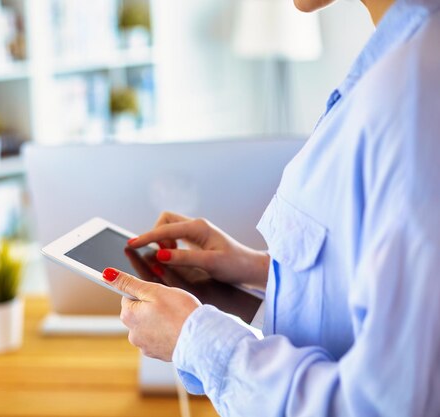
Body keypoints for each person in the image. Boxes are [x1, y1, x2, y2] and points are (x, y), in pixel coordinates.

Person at [101, 0, 440, 414]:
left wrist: (193, 337)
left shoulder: (414, 90)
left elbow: (383, 406)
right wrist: (262, 275)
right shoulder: (400, 63)